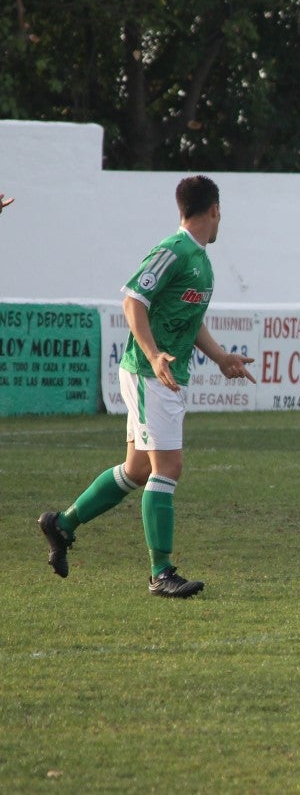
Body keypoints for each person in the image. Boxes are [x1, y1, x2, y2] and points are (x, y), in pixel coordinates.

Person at [37, 175, 256, 598]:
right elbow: (132, 300)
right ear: (214, 209)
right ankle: (161, 572)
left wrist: (220, 357)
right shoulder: (173, 250)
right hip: (149, 373)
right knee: (167, 468)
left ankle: (61, 525)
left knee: (137, 469)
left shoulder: (201, 260)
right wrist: (154, 355)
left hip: (161, 373)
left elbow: (190, 321)